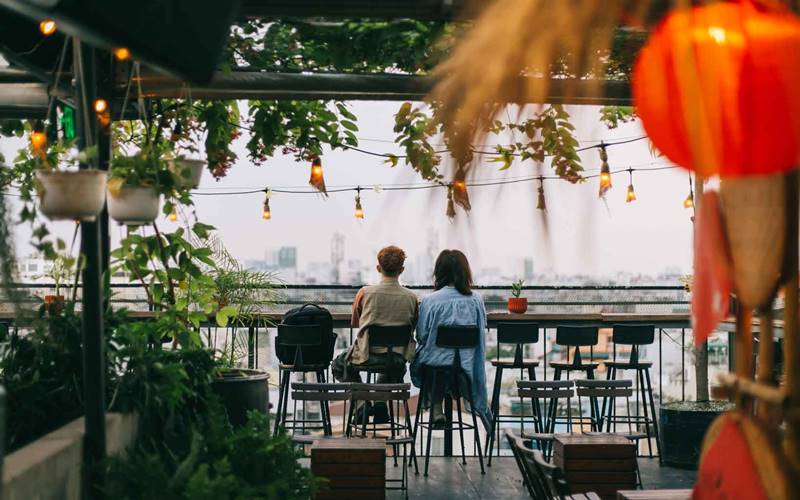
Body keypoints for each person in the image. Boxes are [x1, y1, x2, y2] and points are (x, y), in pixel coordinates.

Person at [332, 245, 418, 423]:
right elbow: (413, 326)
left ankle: (363, 404)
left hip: (367, 356)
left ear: (378, 268)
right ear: (402, 270)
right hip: (396, 358)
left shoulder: (365, 293)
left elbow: (356, 323)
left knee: (339, 364)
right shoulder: (411, 297)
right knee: (393, 366)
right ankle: (380, 402)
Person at [410, 249, 491, 429]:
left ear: (439, 272)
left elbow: (422, 335)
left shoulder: (431, 300)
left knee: (435, 362)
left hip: (435, 366)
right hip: (466, 366)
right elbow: (480, 332)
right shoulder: (476, 300)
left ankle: (436, 407)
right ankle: (443, 408)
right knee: (448, 364)